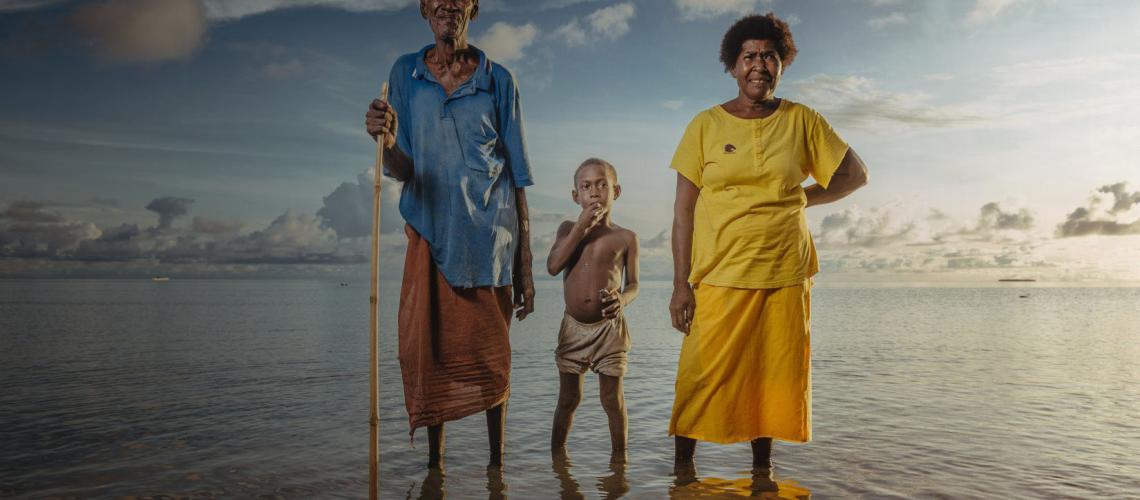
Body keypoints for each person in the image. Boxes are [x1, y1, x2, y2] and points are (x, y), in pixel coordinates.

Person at [667, 13, 869, 473]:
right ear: (733, 65)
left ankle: (763, 476)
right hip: (719, 272)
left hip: (784, 270)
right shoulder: (704, 125)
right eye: (749, 56)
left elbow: (854, 175)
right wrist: (680, 285)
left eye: (770, 57)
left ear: (782, 64)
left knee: (771, 377)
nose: (759, 65)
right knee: (698, 377)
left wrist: (801, 197)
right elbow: (682, 212)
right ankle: (682, 475)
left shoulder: (803, 120)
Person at [364, 0, 535, 469]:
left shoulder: (499, 80)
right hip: (431, 236)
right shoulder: (405, 75)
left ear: (473, 8)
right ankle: (434, 470)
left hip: (490, 245)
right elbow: (402, 168)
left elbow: (518, 176)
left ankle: (497, 470)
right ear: (424, 8)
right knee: (429, 353)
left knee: (492, 359)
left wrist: (525, 265)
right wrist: (387, 140)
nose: (447, 5)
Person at [546, 158, 640, 465]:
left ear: (616, 191)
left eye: (602, 184)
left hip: (609, 328)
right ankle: (557, 462)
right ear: (576, 196)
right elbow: (553, 266)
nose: (595, 192)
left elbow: (633, 284)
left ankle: (620, 463)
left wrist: (622, 300)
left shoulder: (626, 237)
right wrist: (581, 227)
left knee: (612, 399)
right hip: (573, 327)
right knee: (568, 398)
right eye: (586, 187)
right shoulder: (567, 229)